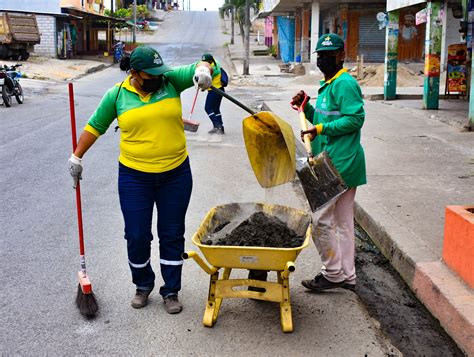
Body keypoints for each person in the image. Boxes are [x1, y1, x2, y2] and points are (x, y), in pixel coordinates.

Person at [68, 45, 213, 314]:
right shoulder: (118, 95)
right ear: (134, 73)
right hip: (135, 177)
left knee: (171, 234)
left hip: (176, 174)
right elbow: (95, 126)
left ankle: (171, 291)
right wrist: (76, 156)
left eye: (160, 73)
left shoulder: (170, 81)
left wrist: (204, 70)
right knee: (136, 235)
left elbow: (200, 65)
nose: (158, 78)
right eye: (151, 75)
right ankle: (142, 285)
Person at [291, 33, 366, 293]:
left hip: (340, 163)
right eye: (320, 55)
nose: (323, 59)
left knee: (321, 219)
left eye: (328, 55)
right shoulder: (328, 84)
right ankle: (348, 275)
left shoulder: (344, 83)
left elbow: (355, 119)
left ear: (341, 55)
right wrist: (306, 109)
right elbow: (326, 118)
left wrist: (320, 129)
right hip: (334, 160)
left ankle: (332, 273)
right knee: (344, 223)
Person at [201, 53, 226, 134]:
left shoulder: (212, 69)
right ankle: (221, 127)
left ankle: (217, 126)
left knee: (207, 108)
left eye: (207, 61)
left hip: (215, 90)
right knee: (216, 109)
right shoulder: (216, 62)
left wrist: (201, 85)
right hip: (220, 90)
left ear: (211, 61)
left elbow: (206, 79)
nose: (205, 63)